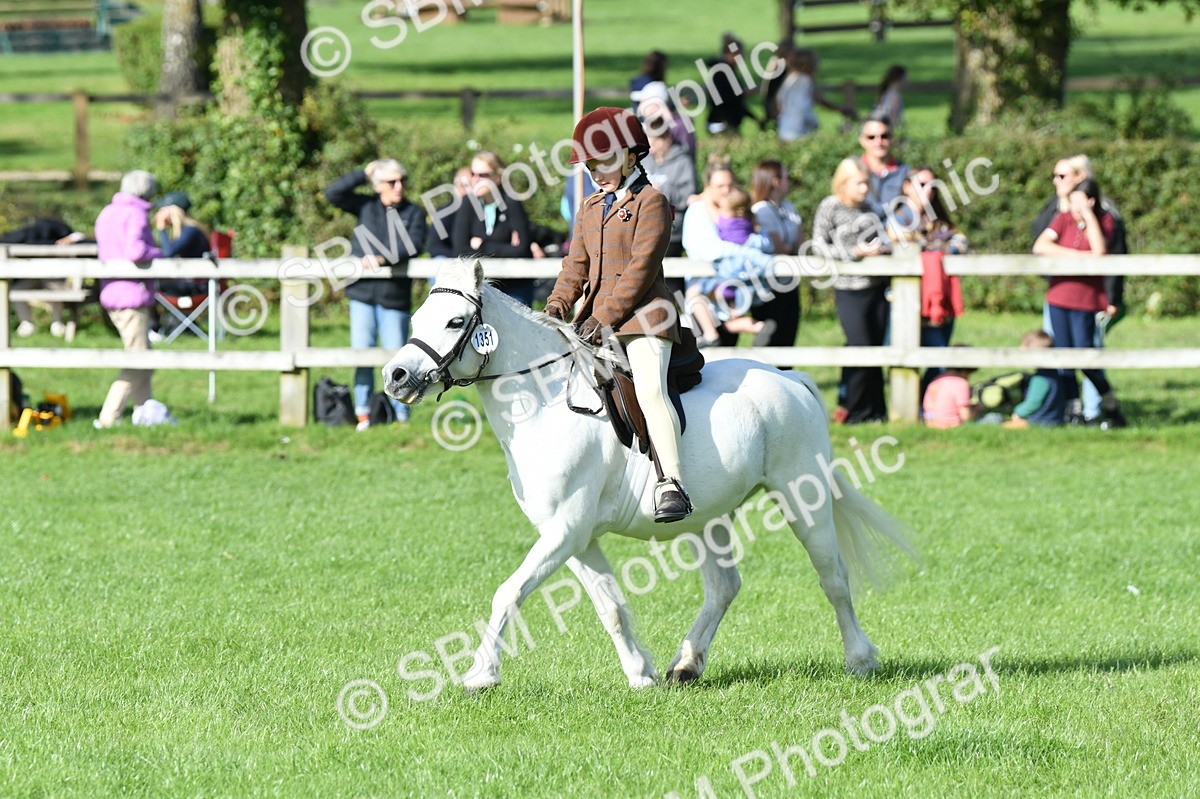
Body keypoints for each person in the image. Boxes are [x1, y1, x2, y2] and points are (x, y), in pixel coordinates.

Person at [543, 107, 692, 523]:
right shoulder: (589, 207)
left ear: (630, 155)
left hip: (646, 318)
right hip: (594, 323)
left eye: (604, 162)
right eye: (590, 166)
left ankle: (671, 484)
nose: (596, 172)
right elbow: (575, 266)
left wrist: (602, 317)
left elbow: (640, 271)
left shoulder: (653, 201)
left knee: (649, 390)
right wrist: (558, 303)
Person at [324, 158, 427, 430]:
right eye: (392, 182)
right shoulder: (366, 206)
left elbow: (415, 245)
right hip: (361, 293)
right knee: (363, 354)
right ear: (378, 185)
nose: (399, 186)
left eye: (402, 180)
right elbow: (332, 194)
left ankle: (401, 415)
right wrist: (364, 173)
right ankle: (363, 413)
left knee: (397, 358)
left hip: (394, 296)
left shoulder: (413, 212)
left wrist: (383, 258)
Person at [1031, 154, 1128, 424]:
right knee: (1064, 356)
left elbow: (1099, 251)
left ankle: (1108, 404)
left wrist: (1087, 216)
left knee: (1085, 356)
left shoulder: (1104, 220)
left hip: (1085, 300)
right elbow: (1041, 245)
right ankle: (1073, 409)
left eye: (1079, 202)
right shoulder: (1062, 219)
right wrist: (1075, 257)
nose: (1073, 208)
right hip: (1059, 296)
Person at [812, 158, 892, 424]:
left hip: (876, 288)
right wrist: (854, 252)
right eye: (859, 183)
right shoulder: (830, 206)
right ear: (844, 183)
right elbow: (818, 246)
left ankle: (876, 411)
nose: (865, 188)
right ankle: (854, 411)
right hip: (848, 289)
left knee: (876, 350)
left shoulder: (870, 208)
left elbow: (883, 236)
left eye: (867, 182)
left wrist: (882, 248)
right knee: (859, 347)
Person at [888, 166, 968, 404]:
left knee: (938, 357)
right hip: (910, 301)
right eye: (922, 184)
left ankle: (929, 406)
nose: (928, 190)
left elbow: (961, 241)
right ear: (906, 187)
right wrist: (939, 248)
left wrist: (938, 247)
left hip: (940, 296)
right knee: (921, 356)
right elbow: (900, 242)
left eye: (932, 185)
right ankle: (915, 407)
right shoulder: (900, 217)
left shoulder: (939, 218)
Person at [93, 170, 163, 429]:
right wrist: (160, 253)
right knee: (137, 359)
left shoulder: (107, 212)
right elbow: (136, 250)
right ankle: (109, 417)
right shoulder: (136, 214)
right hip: (131, 294)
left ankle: (145, 412)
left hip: (111, 290)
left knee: (145, 358)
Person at [681, 158, 774, 347]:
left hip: (733, 290)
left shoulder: (742, 212)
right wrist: (744, 250)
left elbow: (762, 241)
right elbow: (707, 249)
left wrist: (745, 248)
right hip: (707, 294)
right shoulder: (698, 211)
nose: (726, 190)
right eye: (720, 185)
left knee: (729, 351)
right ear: (708, 186)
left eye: (730, 185)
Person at [453, 150, 538, 305]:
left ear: (498, 177)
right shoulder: (468, 203)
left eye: (483, 175)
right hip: (480, 288)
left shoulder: (512, 202)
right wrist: (506, 248)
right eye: (473, 174)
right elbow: (460, 249)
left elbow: (522, 249)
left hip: (514, 286)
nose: (476, 180)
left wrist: (482, 245)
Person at [750, 160, 804, 347]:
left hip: (790, 278)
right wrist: (789, 249)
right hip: (769, 283)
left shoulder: (789, 207)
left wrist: (789, 249)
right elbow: (778, 248)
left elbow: (799, 245)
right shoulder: (761, 211)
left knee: (789, 331)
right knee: (772, 332)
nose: (789, 181)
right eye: (786, 177)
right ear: (775, 181)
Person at [2, 216, 81, 338]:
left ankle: (57, 323)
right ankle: (26, 324)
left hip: (52, 274)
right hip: (30, 274)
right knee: (16, 290)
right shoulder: (25, 234)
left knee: (56, 290)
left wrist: (69, 239)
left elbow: (79, 236)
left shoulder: (60, 231)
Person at [151, 191, 211, 340]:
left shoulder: (191, 231)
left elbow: (169, 252)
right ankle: (169, 326)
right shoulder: (188, 230)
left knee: (148, 284)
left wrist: (161, 229)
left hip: (195, 287)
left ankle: (154, 328)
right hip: (192, 284)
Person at [775, 48, 854, 142]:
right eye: (815, 62)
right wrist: (813, 122)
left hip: (785, 128)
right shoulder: (805, 81)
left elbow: (779, 101)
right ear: (807, 64)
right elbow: (804, 105)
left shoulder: (790, 79)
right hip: (799, 130)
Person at [642, 130, 697, 258]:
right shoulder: (645, 159)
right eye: (649, 143)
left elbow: (687, 195)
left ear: (667, 139)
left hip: (672, 229)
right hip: (644, 227)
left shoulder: (683, 161)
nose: (652, 148)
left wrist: (662, 191)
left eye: (655, 143)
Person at [1002, 330, 1067, 428]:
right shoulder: (1054, 375)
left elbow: (1034, 403)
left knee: (1003, 425)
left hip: (1039, 421)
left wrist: (1018, 412)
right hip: (1055, 418)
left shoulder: (1040, 379)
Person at [704, 33, 761, 136]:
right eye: (737, 54)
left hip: (727, 122)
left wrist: (754, 118)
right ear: (727, 54)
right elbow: (722, 98)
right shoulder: (721, 73)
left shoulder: (729, 72)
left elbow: (737, 101)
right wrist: (743, 93)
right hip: (722, 122)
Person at [857, 112, 910, 221]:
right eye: (871, 137)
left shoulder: (905, 173)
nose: (879, 142)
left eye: (884, 136)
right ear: (862, 140)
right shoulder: (853, 172)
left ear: (892, 138)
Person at [633, 80, 697, 162]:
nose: (640, 106)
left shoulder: (680, 125)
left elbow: (687, 156)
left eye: (643, 102)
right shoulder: (646, 125)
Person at [425, 167, 472, 259]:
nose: (468, 191)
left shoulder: (482, 211)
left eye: (471, 186)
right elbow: (435, 246)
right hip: (449, 261)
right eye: (463, 186)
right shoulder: (443, 212)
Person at [923, 363, 979, 429]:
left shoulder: (935, 380)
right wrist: (977, 408)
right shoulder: (961, 383)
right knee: (991, 417)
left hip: (930, 423)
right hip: (952, 425)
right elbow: (965, 416)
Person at [872, 65, 907, 134]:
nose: (908, 80)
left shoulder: (886, 93)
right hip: (885, 130)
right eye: (906, 77)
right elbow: (893, 117)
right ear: (900, 78)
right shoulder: (895, 96)